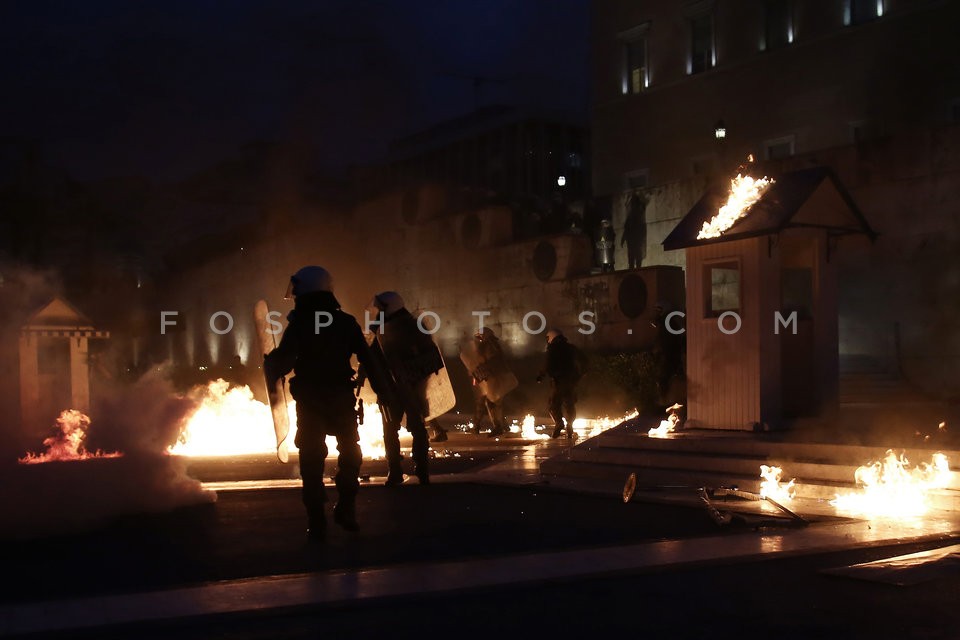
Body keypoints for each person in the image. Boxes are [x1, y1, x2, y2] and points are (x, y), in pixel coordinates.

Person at [264, 265, 371, 540]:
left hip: (311, 401)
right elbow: (369, 359)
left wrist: (270, 362)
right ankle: (346, 507)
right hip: (341, 399)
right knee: (351, 451)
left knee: (311, 459)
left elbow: (285, 361)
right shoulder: (346, 322)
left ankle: (316, 520)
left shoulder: (299, 324)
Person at [367, 291, 440, 486]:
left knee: (391, 430)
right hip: (410, 386)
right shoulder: (415, 327)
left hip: (397, 387)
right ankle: (419, 469)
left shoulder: (384, 331)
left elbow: (373, 362)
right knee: (416, 428)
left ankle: (397, 471)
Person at [537, 329, 588, 439]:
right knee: (569, 404)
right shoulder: (571, 348)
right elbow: (584, 360)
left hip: (558, 381)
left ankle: (559, 423)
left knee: (553, 405)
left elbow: (547, 364)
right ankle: (570, 424)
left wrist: (540, 376)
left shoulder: (552, 349)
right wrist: (582, 373)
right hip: (571, 381)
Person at [461, 328, 511, 438]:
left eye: (480, 338)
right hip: (488, 378)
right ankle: (499, 426)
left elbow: (492, 361)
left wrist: (482, 370)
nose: (478, 340)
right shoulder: (491, 345)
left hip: (491, 378)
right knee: (491, 402)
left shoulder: (489, 346)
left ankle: (497, 427)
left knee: (491, 402)